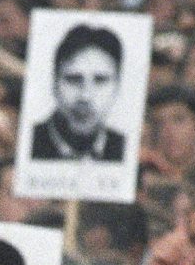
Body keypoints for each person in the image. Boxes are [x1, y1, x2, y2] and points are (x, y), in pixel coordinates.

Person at [30, 25, 126, 162]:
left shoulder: (125, 149)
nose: (85, 96)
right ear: (54, 82)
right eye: (73, 79)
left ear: (117, 85)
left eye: (100, 80)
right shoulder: (28, 143)